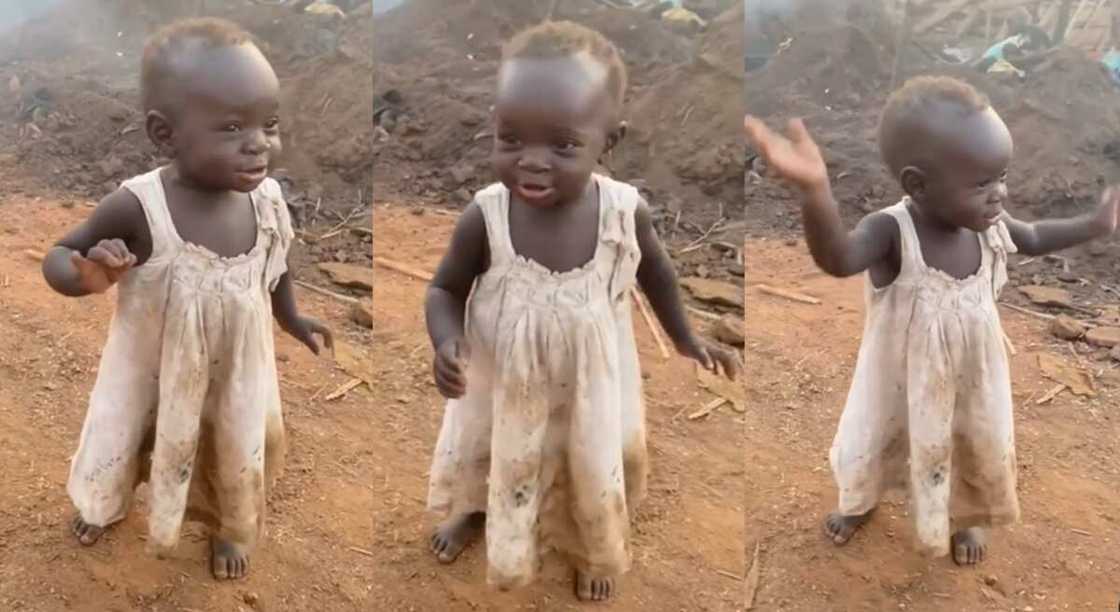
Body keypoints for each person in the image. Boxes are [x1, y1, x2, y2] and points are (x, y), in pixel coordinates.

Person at [423, 20, 741, 601]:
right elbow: (444, 289)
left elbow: (658, 277)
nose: (532, 162)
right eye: (511, 139)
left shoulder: (624, 213)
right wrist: (445, 341)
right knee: (490, 444)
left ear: (608, 142)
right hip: (504, 378)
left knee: (590, 458)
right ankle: (475, 510)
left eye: (563, 145)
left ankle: (591, 545)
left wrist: (686, 338)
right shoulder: (485, 216)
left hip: (590, 383)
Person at [744, 76, 1118, 565]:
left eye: (1002, 177)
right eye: (982, 183)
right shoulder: (889, 231)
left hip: (971, 379)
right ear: (917, 183)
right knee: (880, 437)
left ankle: (966, 516)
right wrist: (816, 192)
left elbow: (1035, 236)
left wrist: (1095, 224)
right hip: (899, 379)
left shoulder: (990, 227)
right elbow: (837, 258)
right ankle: (862, 500)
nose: (999, 194)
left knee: (970, 441)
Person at [41, 18, 332, 580]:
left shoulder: (268, 202)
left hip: (237, 373)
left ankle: (228, 526)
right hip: (149, 371)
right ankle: (104, 504)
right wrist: (84, 274)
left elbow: (275, 265)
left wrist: (291, 316)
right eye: (230, 127)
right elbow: (59, 253)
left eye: (268, 124)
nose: (258, 143)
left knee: (236, 444)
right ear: (164, 134)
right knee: (124, 435)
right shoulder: (138, 207)